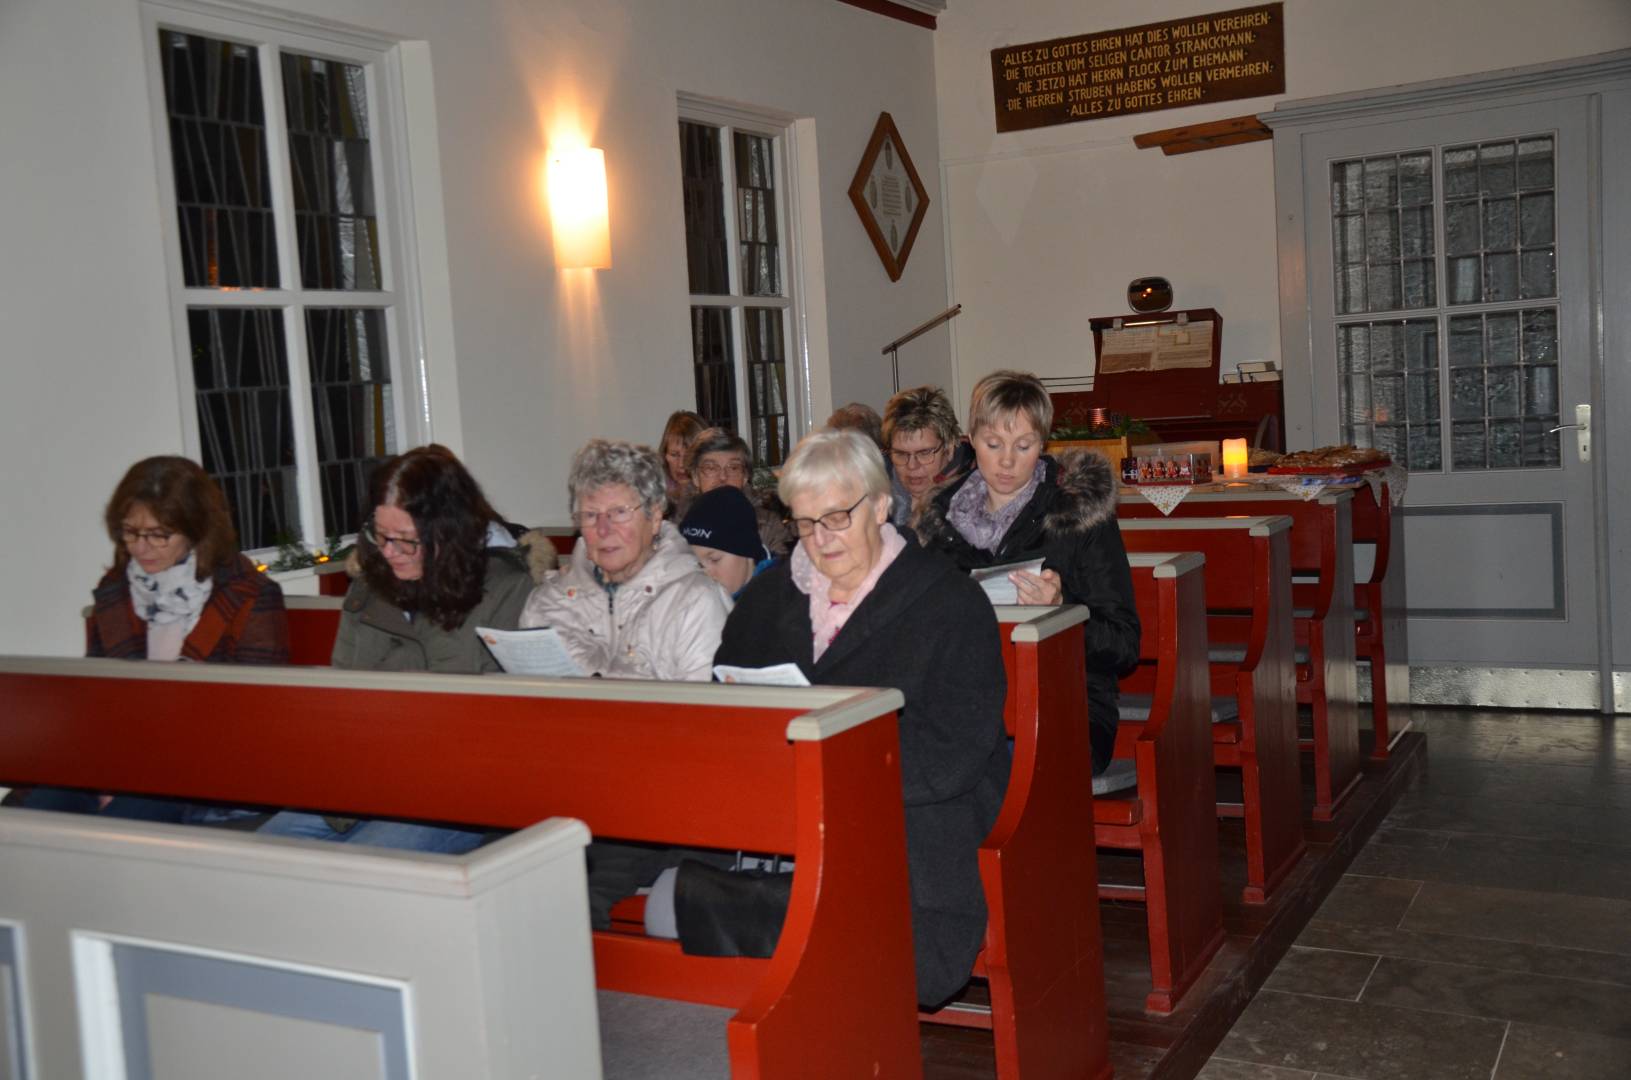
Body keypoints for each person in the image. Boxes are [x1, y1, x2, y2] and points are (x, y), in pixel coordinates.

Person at [714, 429, 1010, 1009]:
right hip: (784, 825)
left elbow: (955, 752)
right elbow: (730, 711)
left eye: (837, 518)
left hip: (910, 826)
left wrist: (840, 779)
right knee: (694, 900)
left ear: (879, 505)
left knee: (856, 923)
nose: (820, 541)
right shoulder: (767, 600)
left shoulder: (949, 603)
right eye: (804, 523)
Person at [258, 444, 534, 853]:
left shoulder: (508, 588)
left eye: (406, 540)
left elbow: (490, 723)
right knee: (265, 856)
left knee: (367, 868)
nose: (389, 553)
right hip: (364, 781)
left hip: (459, 794)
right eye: (380, 536)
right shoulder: (370, 587)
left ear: (448, 531)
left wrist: (437, 594)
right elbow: (342, 698)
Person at [23, 455, 289, 822]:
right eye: (130, 532)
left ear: (197, 530)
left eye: (159, 535)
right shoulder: (116, 590)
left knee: (124, 821)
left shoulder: (248, 594)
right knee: (36, 814)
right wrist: (104, 770)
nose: (140, 547)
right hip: (122, 757)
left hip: (207, 769)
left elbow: (255, 718)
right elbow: (99, 697)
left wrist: (137, 771)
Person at [914, 370, 1140, 775]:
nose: (1006, 461)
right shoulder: (940, 520)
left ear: (1043, 443)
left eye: (1023, 446)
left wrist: (1062, 610)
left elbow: (1124, 646)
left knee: (984, 771)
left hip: (1066, 706)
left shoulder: (1078, 513)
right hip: (966, 705)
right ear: (970, 439)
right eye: (993, 444)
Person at [522, 439, 730, 681]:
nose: (603, 529)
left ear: (653, 517)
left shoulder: (694, 602)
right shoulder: (548, 604)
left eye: (619, 512)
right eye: (590, 515)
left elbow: (705, 711)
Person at [685, 427, 791, 556]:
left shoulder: (768, 526)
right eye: (711, 468)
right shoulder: (681, 526)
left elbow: (780, 573)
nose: (723, 477)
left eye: (733, 467)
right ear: (695, 477)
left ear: (745, 476)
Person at [882, 385, 963, 528]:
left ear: (949, 449)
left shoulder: (972, 501)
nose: (912, 466)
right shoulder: (873, 500)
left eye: (924, 453)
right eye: (901, 454)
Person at [678, 486, 775, 598]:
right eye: (697, 564)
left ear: (747, 551)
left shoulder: (780, 602)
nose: (706, 574)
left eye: (715, 560)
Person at [658, 410, 706, 518]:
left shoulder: (718, 495)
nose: (681, 464)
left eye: (689, 455)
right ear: (665, 455)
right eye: (674, 455)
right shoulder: (655, 498)